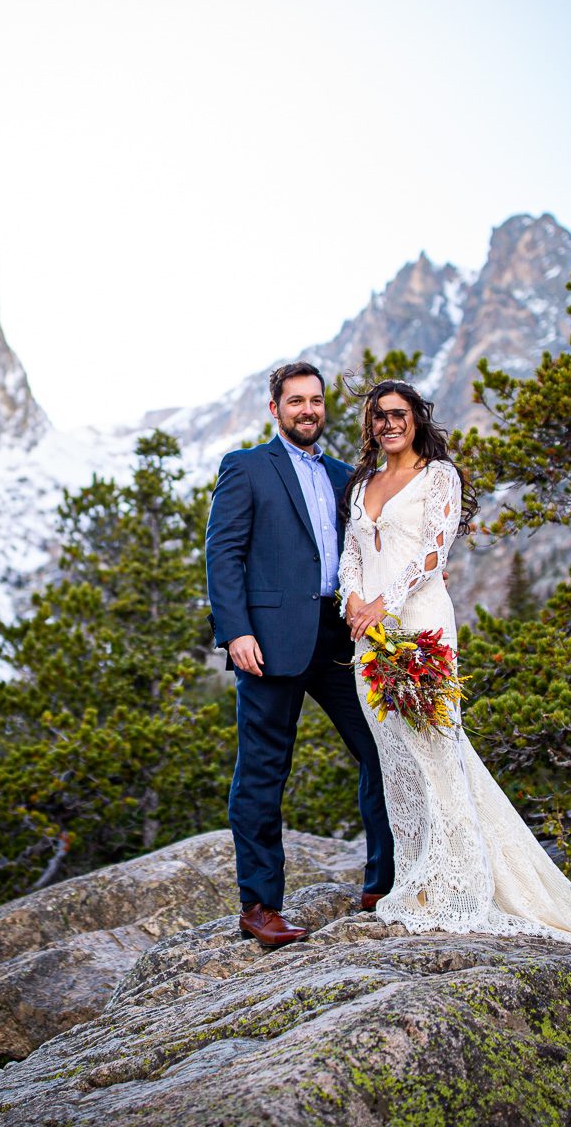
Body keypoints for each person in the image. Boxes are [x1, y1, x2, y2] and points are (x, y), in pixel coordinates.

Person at [338, 379, 571, 962]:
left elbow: (435, 549)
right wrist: (354, 602)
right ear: (370, 424)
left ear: (416, 419)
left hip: (422, 625)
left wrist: (386, 603)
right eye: (379, 416)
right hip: (367, 637)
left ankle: (458, 885)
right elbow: (353, 552)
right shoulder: (362, 483)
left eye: (398, 414)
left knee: (436, 748)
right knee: (397, 760)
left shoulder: (439, 475)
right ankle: (419, 877)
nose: (388, 424)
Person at [205, 361, 394, 948]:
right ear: (275, 410)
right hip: (268, 644)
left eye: (315, 400)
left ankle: (383, 884)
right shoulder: (246, 468)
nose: (307, 409)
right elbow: (223, 554)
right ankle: (260, 907)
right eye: (295, 401)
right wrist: (235, 632)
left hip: (342, 640)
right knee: (262, 773)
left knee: (382, 751)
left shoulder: (346, 475)